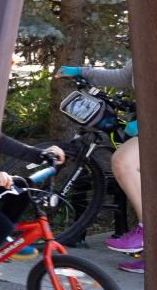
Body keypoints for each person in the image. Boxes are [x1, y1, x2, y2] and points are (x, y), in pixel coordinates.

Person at [59, 61, 143, 272]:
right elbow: (122, 77)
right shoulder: (143, 51)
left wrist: (146, 121)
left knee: (123, 162)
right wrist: (81, 72)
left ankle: (148, 228)